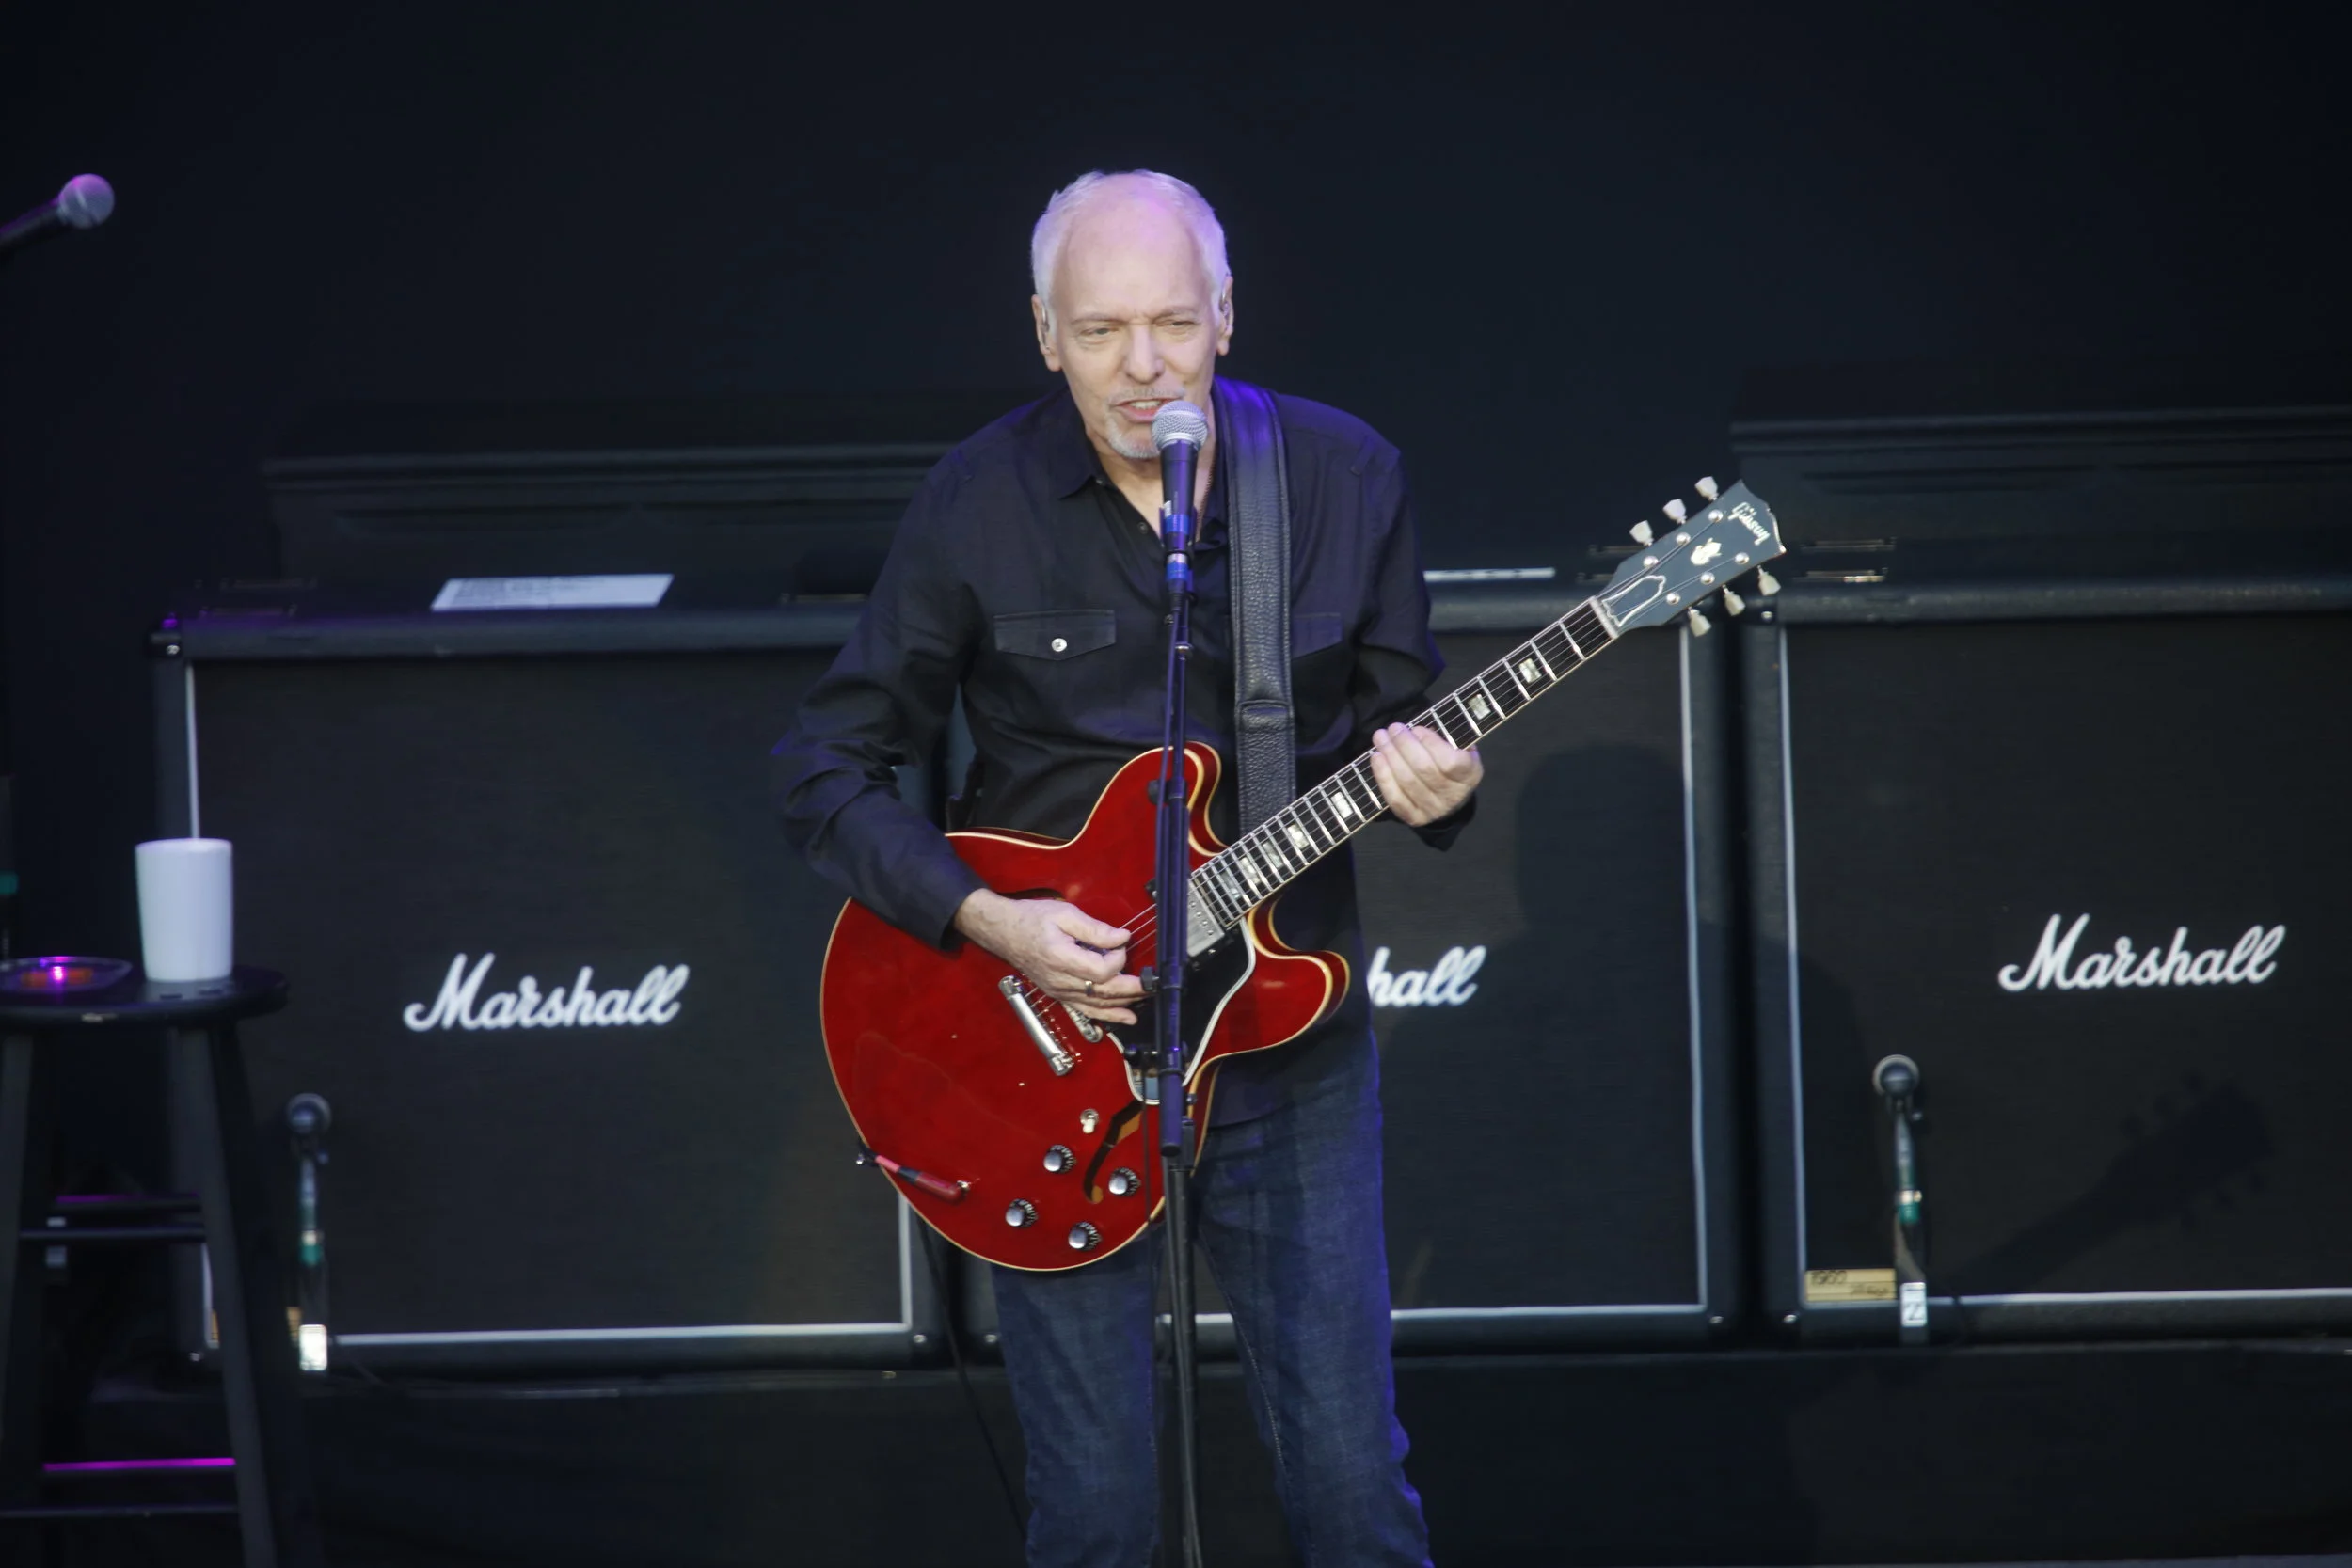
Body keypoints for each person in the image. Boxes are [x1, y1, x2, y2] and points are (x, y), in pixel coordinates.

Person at [772, 168, 1480, 1568]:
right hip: (1047, 1058)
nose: (1143, 364)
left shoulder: (1343, 477)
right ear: (1046, 333)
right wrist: (990, 919)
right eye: (1101, 330)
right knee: (1095, 1510)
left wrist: (1438, 787)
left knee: (1351, 1489)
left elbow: (1407, 731)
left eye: (1173, 322)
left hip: (1285, 1055)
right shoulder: (978, 499)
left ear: (1228, 315)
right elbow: (823, 765)